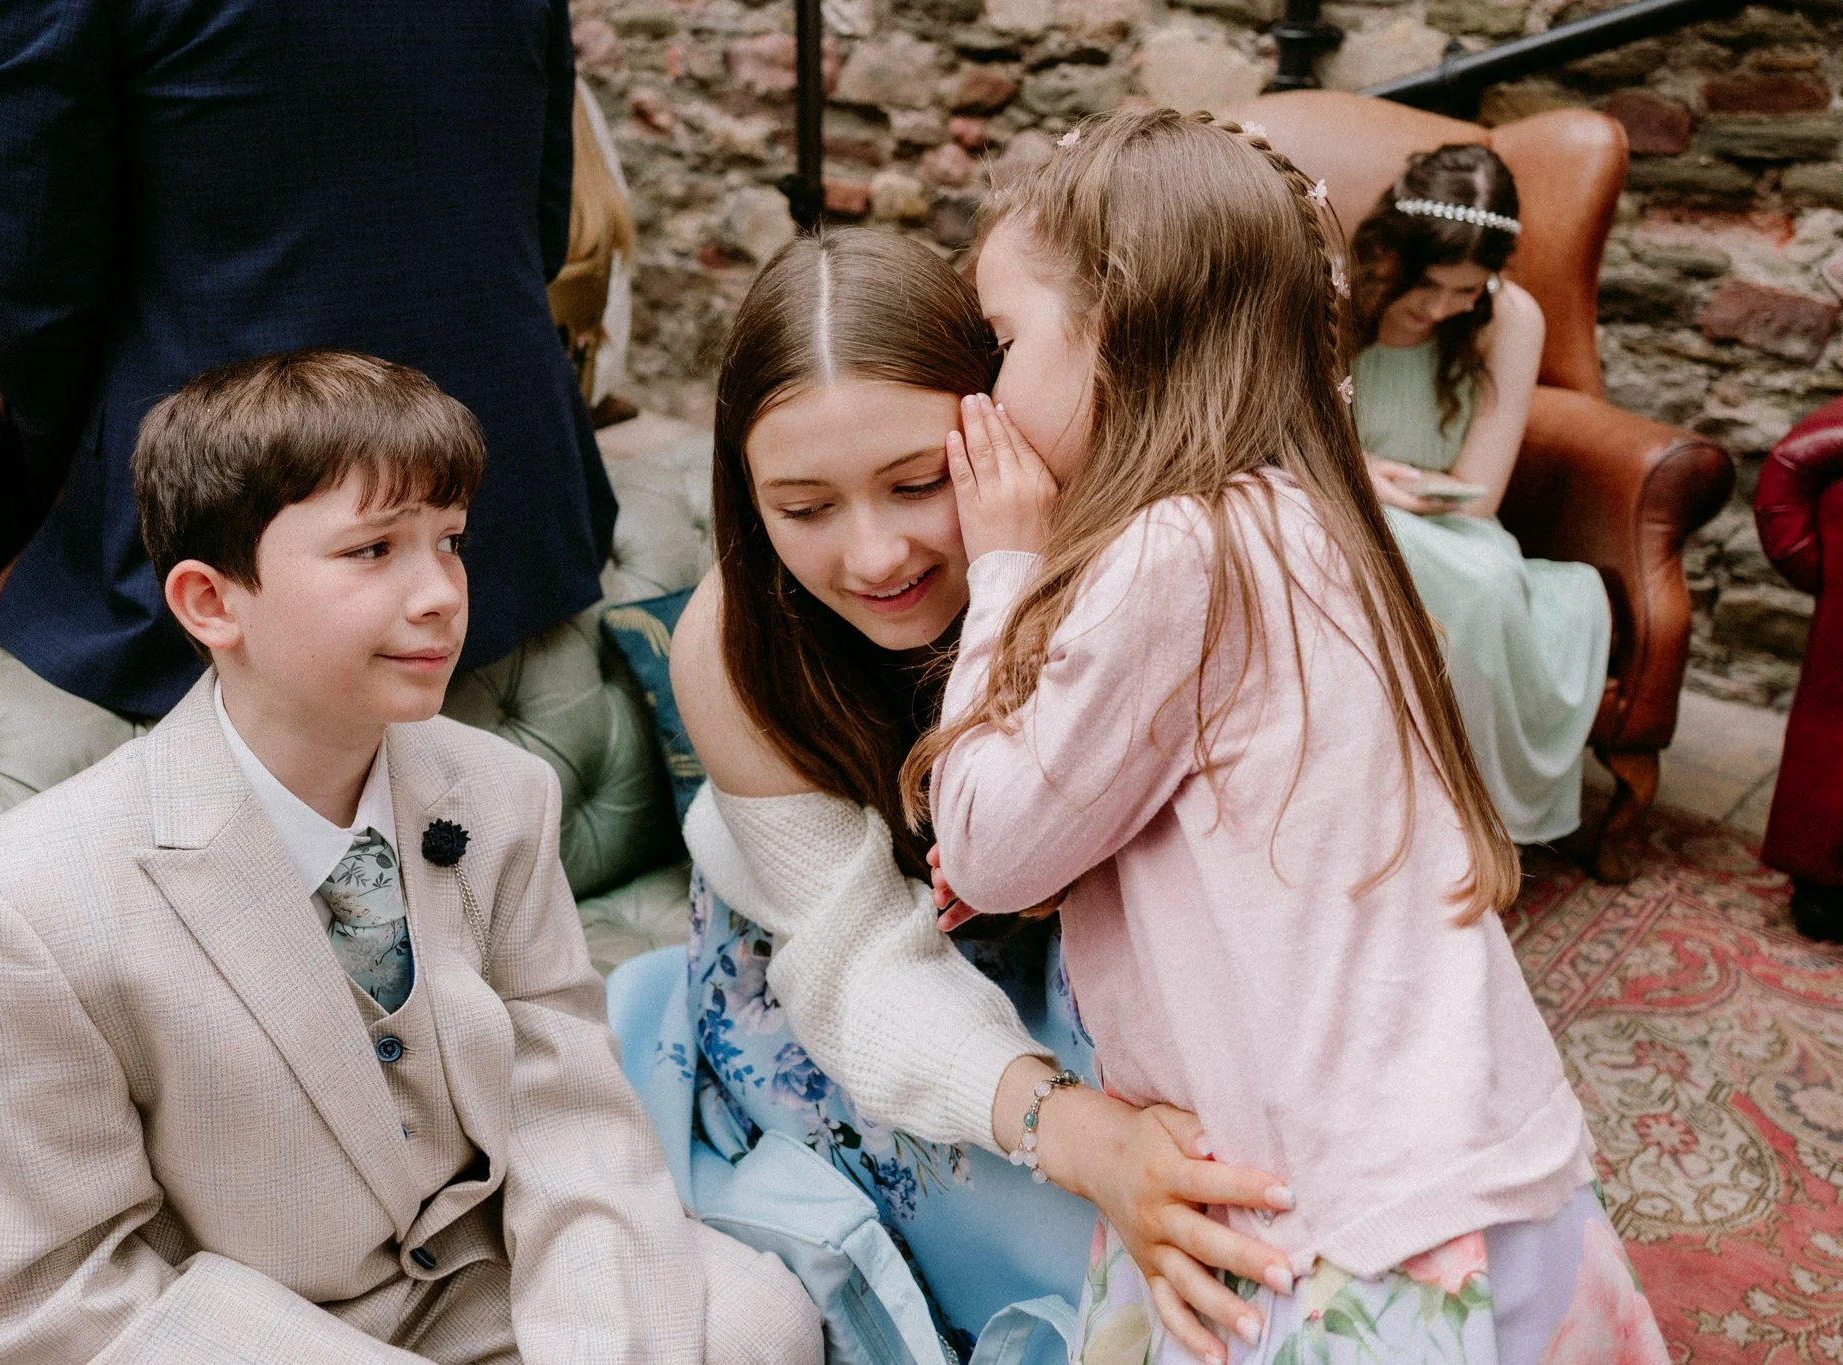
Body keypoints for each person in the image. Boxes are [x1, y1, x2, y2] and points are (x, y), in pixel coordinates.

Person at [914, 110, 1668, 1361]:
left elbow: (991, 850)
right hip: (1458, 1143)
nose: (983, 392)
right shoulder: (1297, 515)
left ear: (1118, 325)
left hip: (1324, 1208)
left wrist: (1001, 571)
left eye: (1000, 342)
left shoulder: (1175, 554)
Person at [0, 351, 822, 1364]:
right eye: (373, 549)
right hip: (247, 1336)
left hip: (494, 1284)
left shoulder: (503, 794)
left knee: (760, 1322)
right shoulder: (15, 904)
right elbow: (52, 1298)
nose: (439, 594)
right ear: (211, 602)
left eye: (449, 541)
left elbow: (565, 1108)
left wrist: (605, 1346)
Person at [638, 228, 1295, 1364]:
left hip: (1079, 941)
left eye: (919, 483)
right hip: (851, 978)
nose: (875, 555)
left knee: (1261, 1199)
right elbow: (855, 962)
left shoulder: (1117, 558)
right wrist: (1076, 1136)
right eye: (804, 508)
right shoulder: (730, 643)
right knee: (1106, 1270)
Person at [0, 0, 613, 718]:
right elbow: (543, 231)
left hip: (231, 548)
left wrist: (73, 468)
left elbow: (19, 291)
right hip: (518, 514)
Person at [1349, 144, 1611, 844]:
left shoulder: (1511, 318)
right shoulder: (1333, 295)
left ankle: (1462, 819)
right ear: (1390, 250)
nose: (1440, 309)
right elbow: (1274, 433)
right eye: (1426, 284)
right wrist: (1359, 475)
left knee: (1486, 583)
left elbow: (1482, 490)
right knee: (1366, 557)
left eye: (1466, 290)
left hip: (1451, 524)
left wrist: (1400, 493)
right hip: (1330, 497)